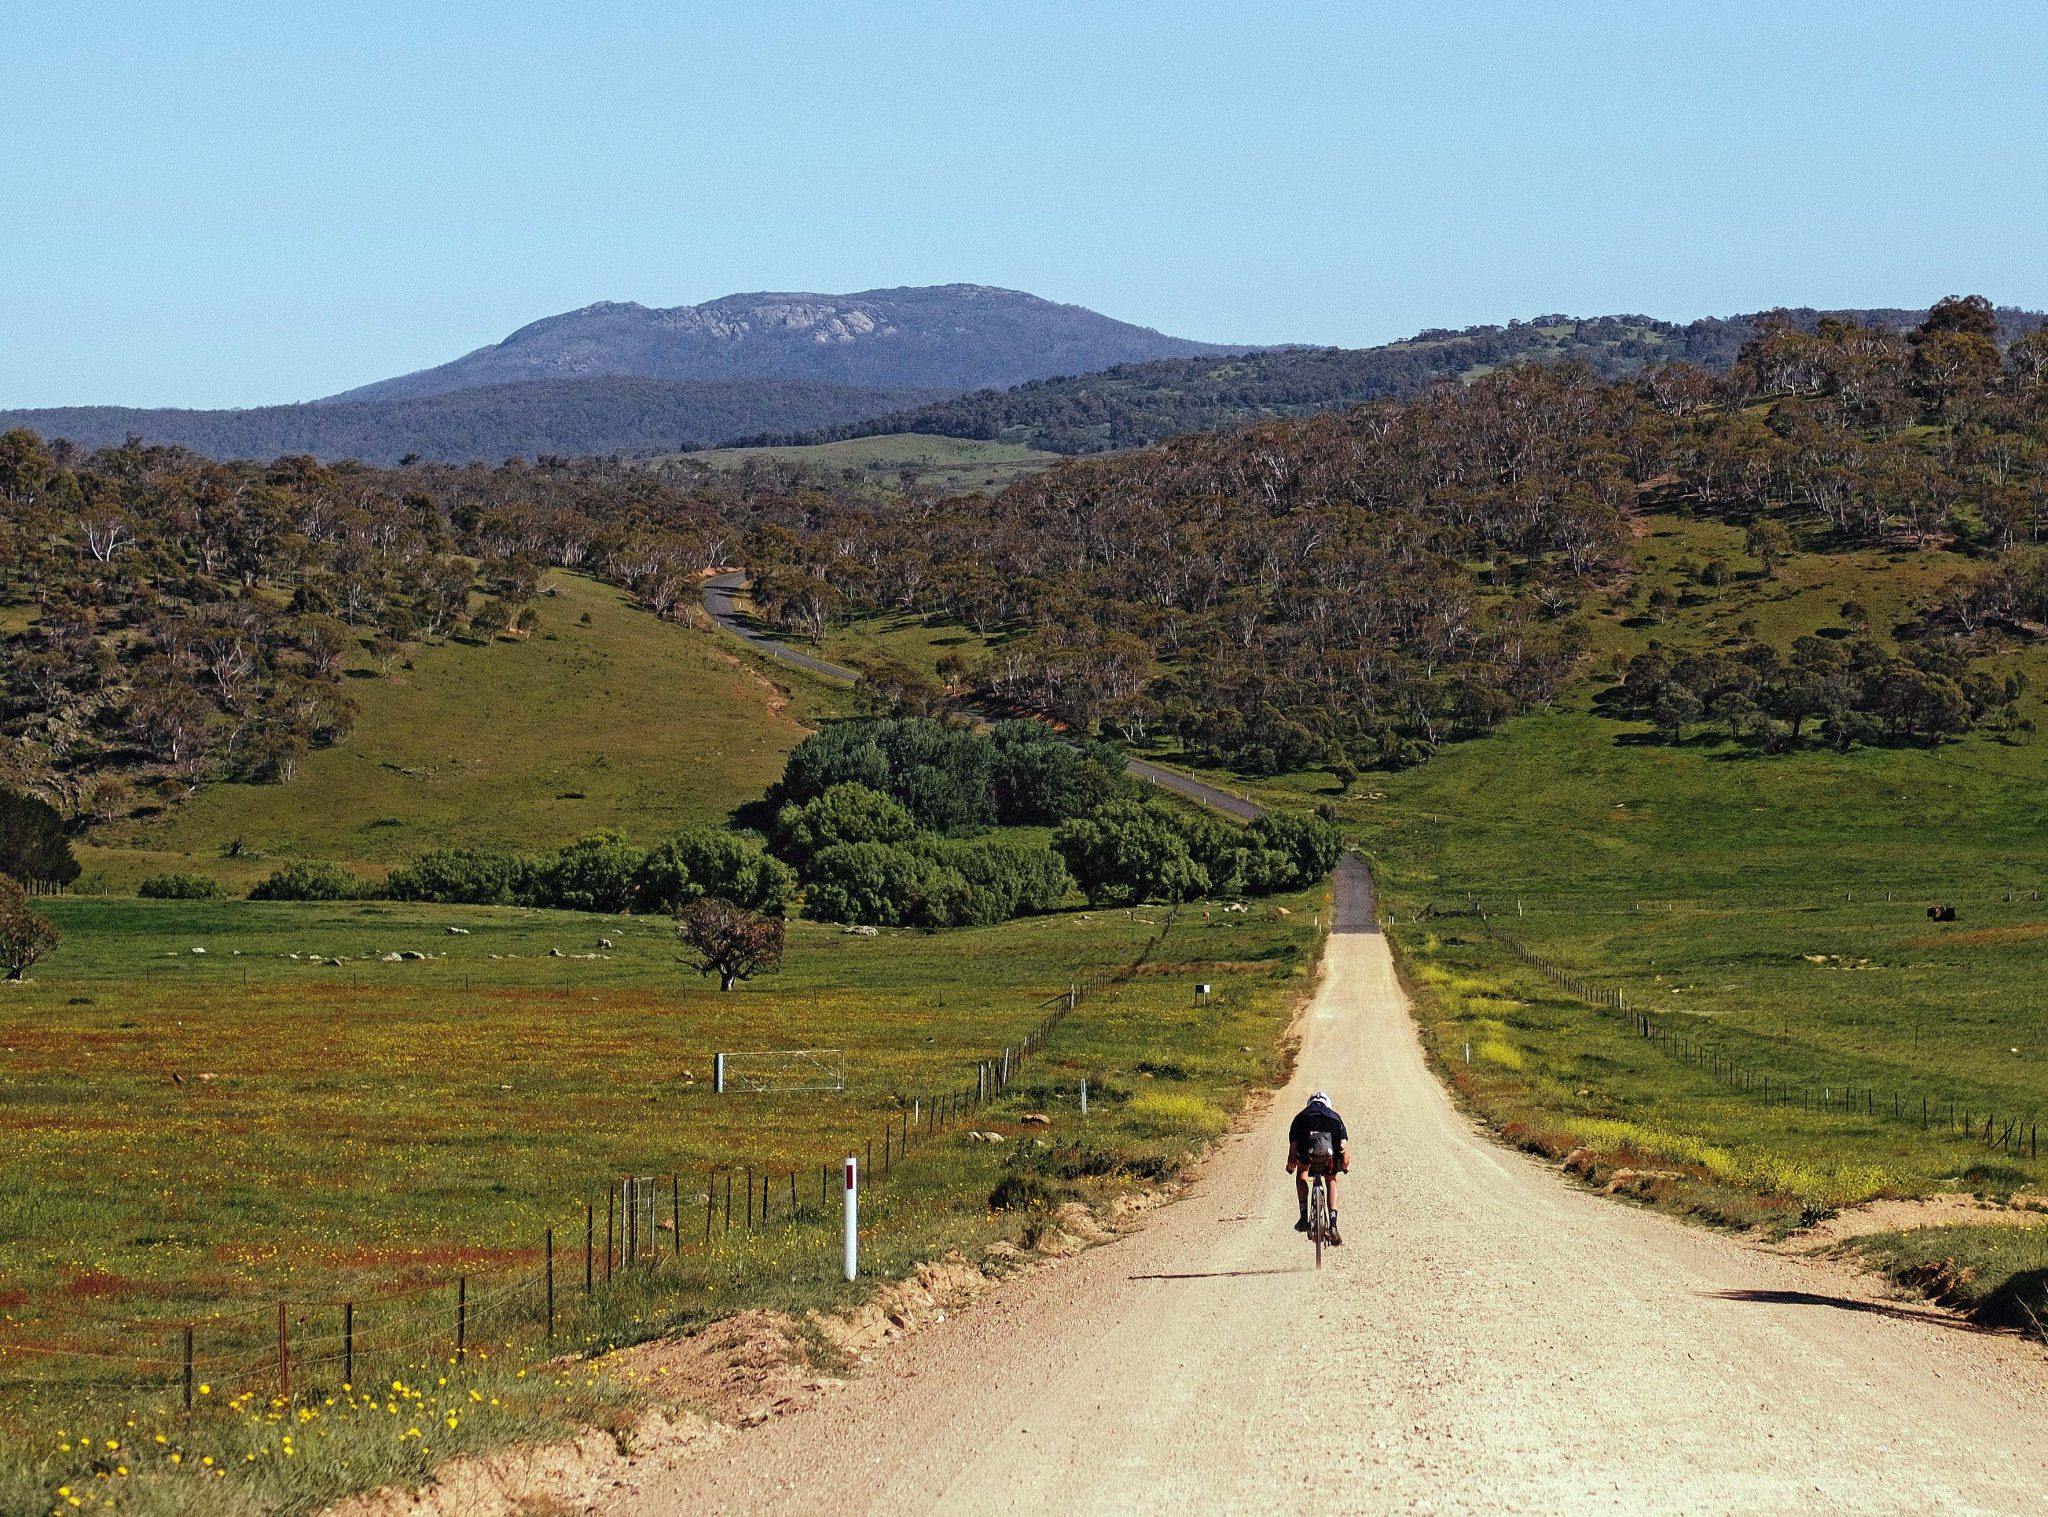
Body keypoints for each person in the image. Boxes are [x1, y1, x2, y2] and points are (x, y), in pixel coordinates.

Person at [1286, 1090, 1348, 1245]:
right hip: (1328, 1152)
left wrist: (1291, 1164)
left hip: (1307, 1149)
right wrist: (1345, 1166)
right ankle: (1333, 1224)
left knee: (1302, 1172)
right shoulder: (1335, 1117)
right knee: (1331, 1179)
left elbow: (1293, 1147)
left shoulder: (1300, 1117)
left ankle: (1303, 1217)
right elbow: (1343, 1145)